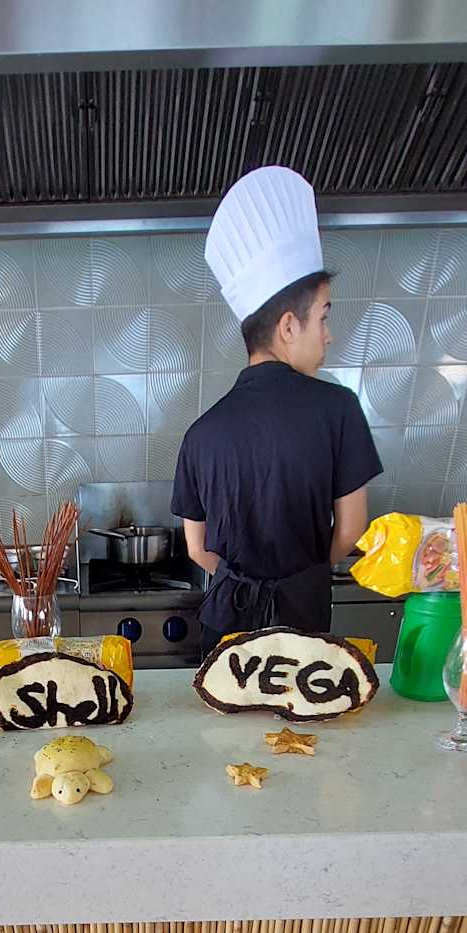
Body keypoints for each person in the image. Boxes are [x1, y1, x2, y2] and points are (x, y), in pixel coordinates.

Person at [172, 166, 382, 656]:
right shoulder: (338, 408)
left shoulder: (200, 432)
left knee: (223, 708)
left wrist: (246, 581)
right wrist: (301, 576)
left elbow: (197, 549)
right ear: (289, 326)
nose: (328, 335)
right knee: (301, 710)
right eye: (323, 317)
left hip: (225, 627)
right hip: (303, 623)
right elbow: (352, 529)